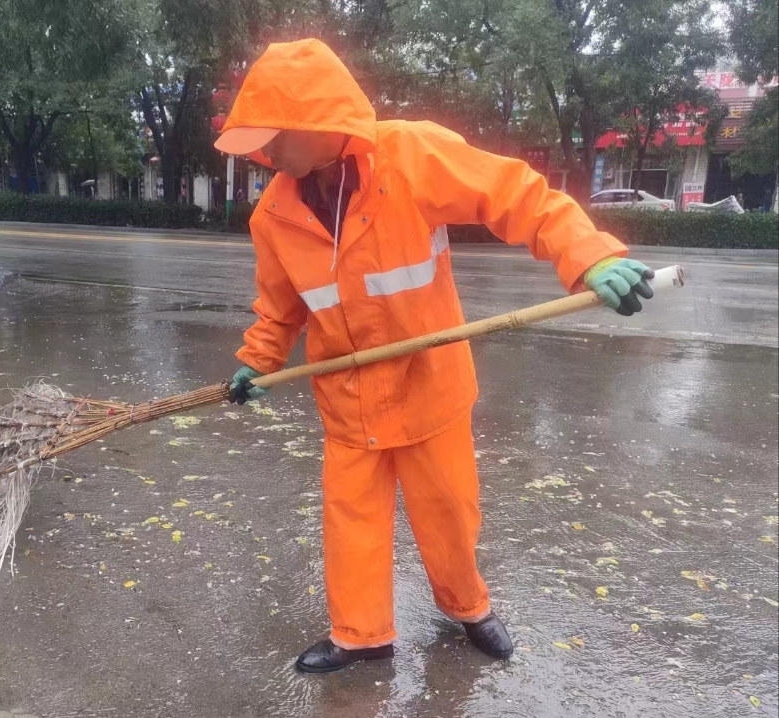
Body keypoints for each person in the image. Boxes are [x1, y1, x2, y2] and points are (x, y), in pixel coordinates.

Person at [215, 39, 654, 674]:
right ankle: (360, 635)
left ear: (318, 123)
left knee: (448, 511)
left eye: (273, 136)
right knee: (351, 523)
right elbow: (281, 307)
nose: (264, 153)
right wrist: (258, 361)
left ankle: (468, 608)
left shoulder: (412, 156)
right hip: (347, 399)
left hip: (429, 385)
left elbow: (518, 196)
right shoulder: (273, 214)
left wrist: (591, 257)